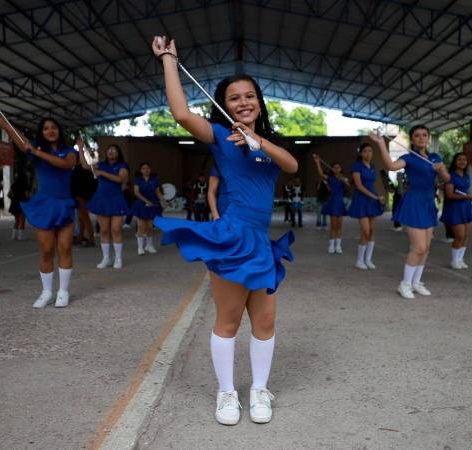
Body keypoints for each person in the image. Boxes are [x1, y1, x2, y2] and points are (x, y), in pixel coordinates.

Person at [152, 36, 297, 426]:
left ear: (259, 102)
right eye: (234, 98)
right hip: (233, 238)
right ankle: (226, 393)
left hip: (262, 242)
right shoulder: (219, 137)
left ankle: (260, 390)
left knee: (265, 322)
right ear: (224, 104)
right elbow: (182, 114)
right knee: (228, 320)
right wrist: (169, 60)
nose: (244, 102)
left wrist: (259, 141)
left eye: (250, 96)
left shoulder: (270, 143)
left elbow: (291, 166)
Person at [0, 91, 77, 308]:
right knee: (46, 250)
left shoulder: (69, 151)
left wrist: (35, 151)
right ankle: (47, 292)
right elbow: (8, 127)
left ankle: (63, 291)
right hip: (44, 203)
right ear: (42, 132)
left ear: (59, 130)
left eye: (53, 127)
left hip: (64, 203)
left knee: (65, 247)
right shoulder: (33, 148)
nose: (50, 131)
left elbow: (66, 165)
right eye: (46, 128)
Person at [369, 126, 450, 299]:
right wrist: (381, 143)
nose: (421, 138)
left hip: (429, 204)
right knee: (418, 247)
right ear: (412, 140)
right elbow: (390, 166)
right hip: (414, 203)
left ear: (428, 138)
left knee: (426, 248)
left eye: (424, 135)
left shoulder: (435, 158)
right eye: (417, 136)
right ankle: (404, 284)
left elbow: (447, 179)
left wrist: (441, 169)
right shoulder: (409, 158)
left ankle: (416, 282)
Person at [84, 144, 129, 269]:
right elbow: (85, 166)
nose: (111, 152)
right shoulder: (100, 164)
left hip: (116, 199)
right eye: (109, 150)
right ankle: (106, 258)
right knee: (103, 231)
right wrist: (82, 149)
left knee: (116, 229)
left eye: (114, 150)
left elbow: (119, 179)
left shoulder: (122, 166)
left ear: (118, 153)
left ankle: (118, 258)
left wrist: (102, 173)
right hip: (101, 199)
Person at [347, 143, 385, 269]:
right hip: (362, 200)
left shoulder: (373, 166)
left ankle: (368, 260)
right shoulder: (356, 166)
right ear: (360, 153)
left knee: (373, 231)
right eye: (365, 151)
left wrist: (377, 196)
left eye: (370, 151)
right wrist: (375, 197)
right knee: (365, 231)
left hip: (372, 198)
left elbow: (372, 184)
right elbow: (359, 186)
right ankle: (359, 260)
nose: (368, 153)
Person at [440, 153, 472, 269]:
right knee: (459, 236)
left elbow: (465, 191)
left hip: (465, 207)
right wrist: (466, 197)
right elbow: (450, 195)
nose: (462, 162)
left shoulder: (467, 176)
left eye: (465, 160)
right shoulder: (450, 176)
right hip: (455, 208)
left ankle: (460, 259)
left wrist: (469, 197)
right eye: (459, 160)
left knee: (466, 236)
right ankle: (454, 260)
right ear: (455, 162)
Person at [313, 155, 349, 253]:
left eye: (338, 167)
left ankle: (338, 246)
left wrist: (343, 179)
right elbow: (321, 173)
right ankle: (331, 246)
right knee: (333, 225)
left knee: (339, 225)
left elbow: (349, 185)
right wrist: (318, 162)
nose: (337, 169)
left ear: (341, 169)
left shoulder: (343, 178)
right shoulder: (330, 178)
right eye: (335, 167)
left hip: (340, 202)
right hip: (333, 202)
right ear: (332, 169)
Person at [131, 162, 164, 255]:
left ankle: (149, 246)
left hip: (152, 204)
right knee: (141, 226)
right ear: (141, 170)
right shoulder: (138, 180)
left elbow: (158, 192)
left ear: (150, 169)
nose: (146, 170)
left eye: (148, 168)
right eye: (144, 168)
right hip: (141, 205)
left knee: (150, 227)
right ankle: (140, 248)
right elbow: (136, 192)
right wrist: (146, 201)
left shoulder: (154, 179)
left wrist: (164, 201)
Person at [71, 159, 97, 246]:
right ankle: (81, 236)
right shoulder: (84, 168)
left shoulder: (79, 169)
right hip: (83, 195)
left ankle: (91, 238)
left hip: (80, 195)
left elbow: (75, 182)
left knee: (84, 217)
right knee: (82, 217)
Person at [8, 173, 29, 240]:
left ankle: (14, 235)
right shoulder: (25, 185)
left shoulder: (14, 185)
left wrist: (13, 199)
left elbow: (8, 194)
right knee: (22, 220)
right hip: (22, 203)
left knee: (16, 220)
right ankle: (21, 236)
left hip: (14, 203)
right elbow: (27, 196)